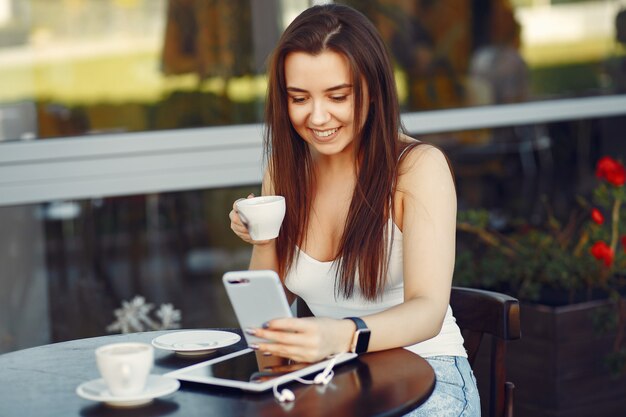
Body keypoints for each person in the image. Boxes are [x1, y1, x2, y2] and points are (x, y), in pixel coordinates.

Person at [229, 4, 480, 416]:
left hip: (429, 376)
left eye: (337, 96)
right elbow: (268, 312)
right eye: (299, 98)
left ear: (374, 90)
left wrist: (342, 335)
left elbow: (428, 310)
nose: (317, 116)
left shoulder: (417, 168)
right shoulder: (285, 169)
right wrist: (262, 235)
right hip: (335, 381)